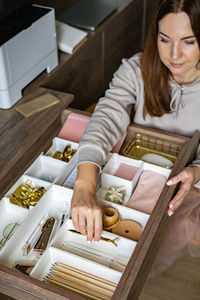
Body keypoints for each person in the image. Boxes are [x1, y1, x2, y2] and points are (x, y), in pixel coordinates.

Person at [71, 0, 200, 276]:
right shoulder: (136, 69)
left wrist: (197, 171)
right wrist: (84, 183)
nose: (174, 54)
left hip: (184, 191)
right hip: (135, 176)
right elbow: (107, 114)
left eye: (188, 42)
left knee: (153, 252)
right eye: (165, 40)